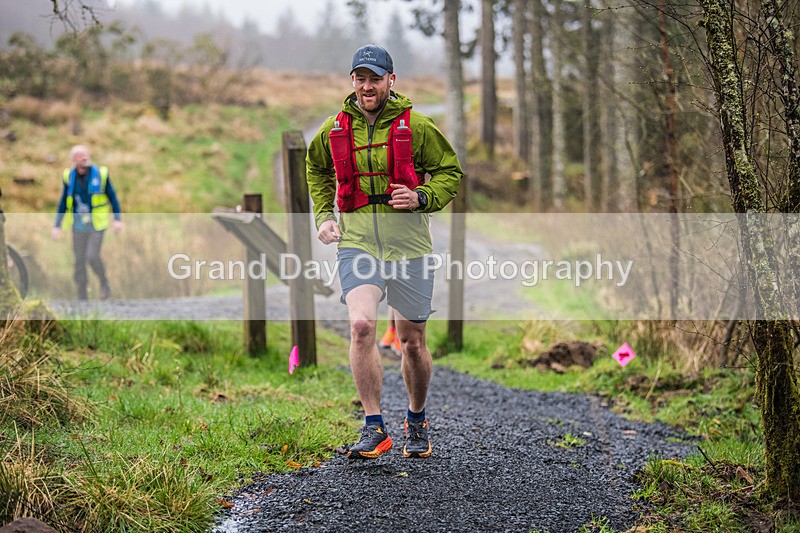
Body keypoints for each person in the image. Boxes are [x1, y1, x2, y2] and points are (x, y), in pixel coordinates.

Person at [306, 44, 463, 459]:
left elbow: (450, 172)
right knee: (361, 326)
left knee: (411, 341)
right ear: (352, 81)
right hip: (357, 243)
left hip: (409, 246)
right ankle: (374, 426)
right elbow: (317, 168)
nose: (367, 86)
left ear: (391, 80)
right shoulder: (334, 127)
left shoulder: (418, 126)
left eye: (375, 78)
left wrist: (421, 196)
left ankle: (416, 417)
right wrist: (324, 215)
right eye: (360, 78)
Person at [52, 145, 122, 300]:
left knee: (92, 256)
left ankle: (104, 283)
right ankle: (82, 295)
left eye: (86, 155)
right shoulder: (69, 177)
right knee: (79, 261)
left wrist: (117, 219)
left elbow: (113, 197)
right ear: (73, 160)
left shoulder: (100, 174)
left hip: (97, 224)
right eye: (80, 156)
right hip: (77, 225)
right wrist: (57, 225)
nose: (85, 158)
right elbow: (63, 201)